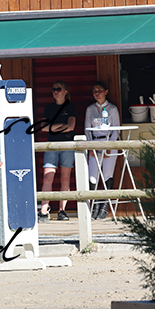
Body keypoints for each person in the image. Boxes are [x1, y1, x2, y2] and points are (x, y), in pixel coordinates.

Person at [38, 81, 76, 223]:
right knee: (47, 177)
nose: (55, 91)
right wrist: (61, 126)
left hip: (67, 144)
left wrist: (52, 127)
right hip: (51, 145)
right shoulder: (49, 108)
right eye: (53, 89)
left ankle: (62, 210)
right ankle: (43, 211)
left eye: (58, 89)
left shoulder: (70, 107)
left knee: (65, 178)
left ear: (65, 91)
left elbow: (71, 126)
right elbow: (43, 127)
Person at [85, 81, 120, 220]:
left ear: (106, 92)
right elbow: (87, 129)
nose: (97, 93)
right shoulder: (90, 109)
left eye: (99, 90)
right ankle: (94, 206)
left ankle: (104, 206)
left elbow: (116, 129)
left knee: (107, 175)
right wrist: (90, 146)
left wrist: (109, 146)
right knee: (93, 177)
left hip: (109, 142)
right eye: (94, 90)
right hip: (95, 142)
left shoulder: (112, 109)